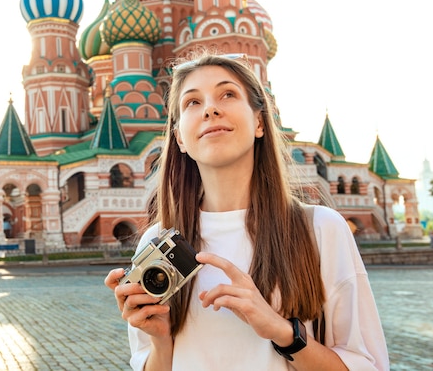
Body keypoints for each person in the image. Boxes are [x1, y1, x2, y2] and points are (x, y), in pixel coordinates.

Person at [104, 52, 389, 370]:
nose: (211, 109)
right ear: (179, 138)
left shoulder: (319, 229)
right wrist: (160, 339)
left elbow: (368, 364)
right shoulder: (159, 243)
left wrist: (280, 331)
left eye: (227, 94)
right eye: (192, 103)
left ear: (259, 122)